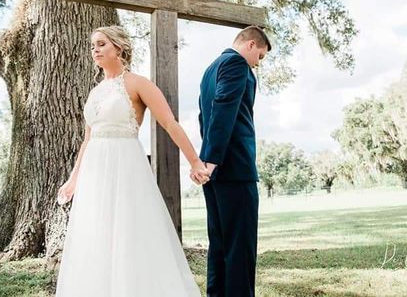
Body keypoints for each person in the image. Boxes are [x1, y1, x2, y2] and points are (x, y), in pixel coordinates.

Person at [55, 25, 209, 297]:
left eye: (102, 44)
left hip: (126, 166)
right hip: (95, 172)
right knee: (96, 235)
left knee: (129, 232)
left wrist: (195, 161)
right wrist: (73, 178)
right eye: (93, 46)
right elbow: (88, 139)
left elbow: (170, 124)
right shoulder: (95, 92)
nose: (95, 50)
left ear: (119, 48)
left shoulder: (139, 84)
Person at [197, 26, 271, 297]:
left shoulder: (210, 69)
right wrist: (214, 160)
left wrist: (206, 161)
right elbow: (224, 109)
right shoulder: (237, 64)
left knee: (219, 245)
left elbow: (204, 118)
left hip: (212, 172)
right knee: (240, 248)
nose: (257, 64)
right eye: (260, 57)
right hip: (235, 170)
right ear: (251, 44)